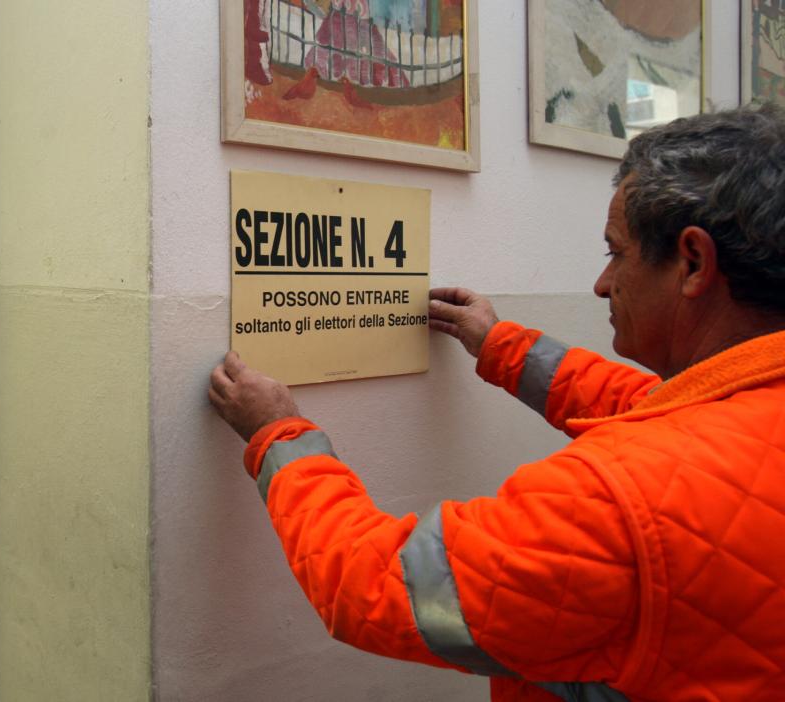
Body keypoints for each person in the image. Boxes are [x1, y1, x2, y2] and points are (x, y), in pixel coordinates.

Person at [208, 104, 785, 702]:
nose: (602, 283)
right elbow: (651, 406)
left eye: (616, 252)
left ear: (692, 262)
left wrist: (280, 435)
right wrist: (502, 345)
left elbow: (376, 586)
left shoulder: (614, 499)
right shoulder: (740, 409)